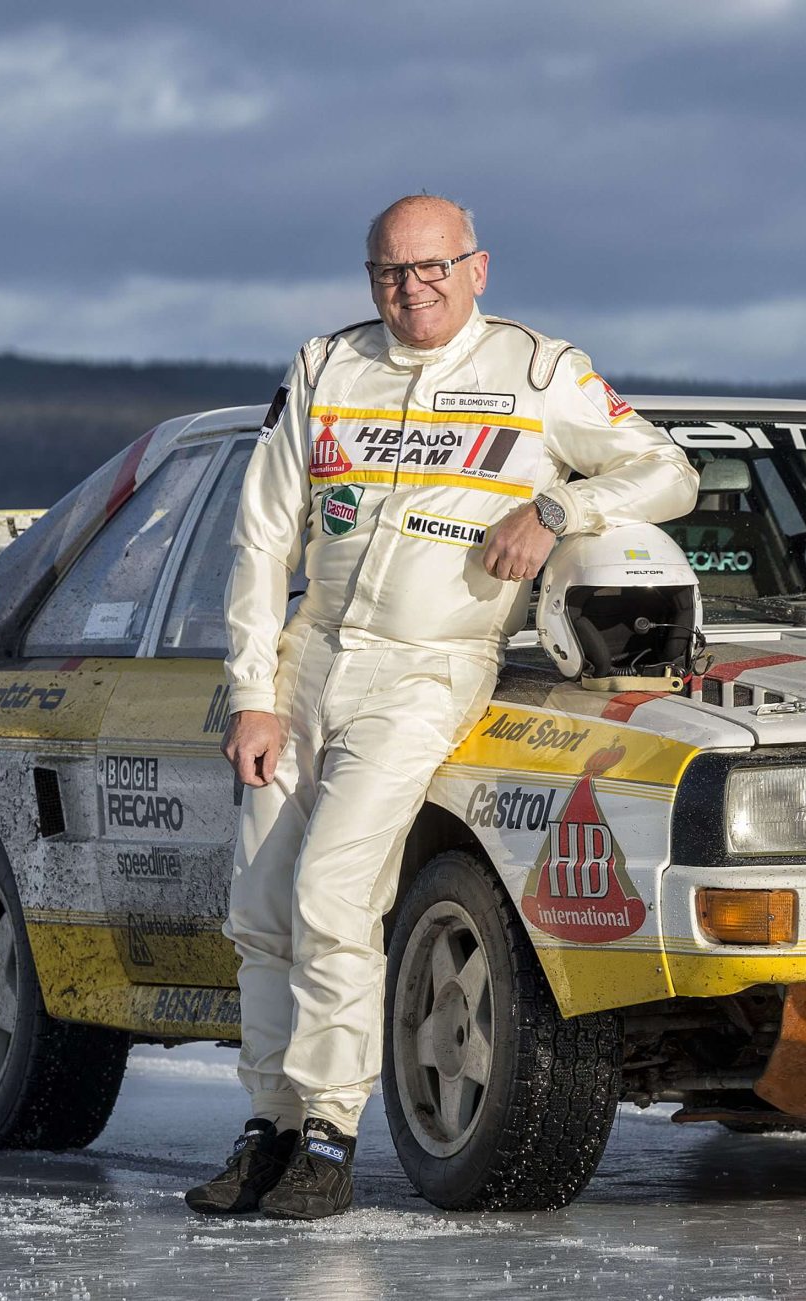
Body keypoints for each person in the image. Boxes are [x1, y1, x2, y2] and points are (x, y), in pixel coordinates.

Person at [185, 195, 697, 1219]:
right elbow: (259, 539)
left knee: (333, 894)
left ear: (477, 268)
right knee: (260, 906)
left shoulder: (538, 373)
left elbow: (667, 469)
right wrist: (251, 694)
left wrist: (556, 510)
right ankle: (269, 1125)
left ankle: (327, 1136)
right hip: (304, 663)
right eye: (388, 273)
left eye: (431, 269)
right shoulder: (327, 368)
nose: (409, 290)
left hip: (426, 669)